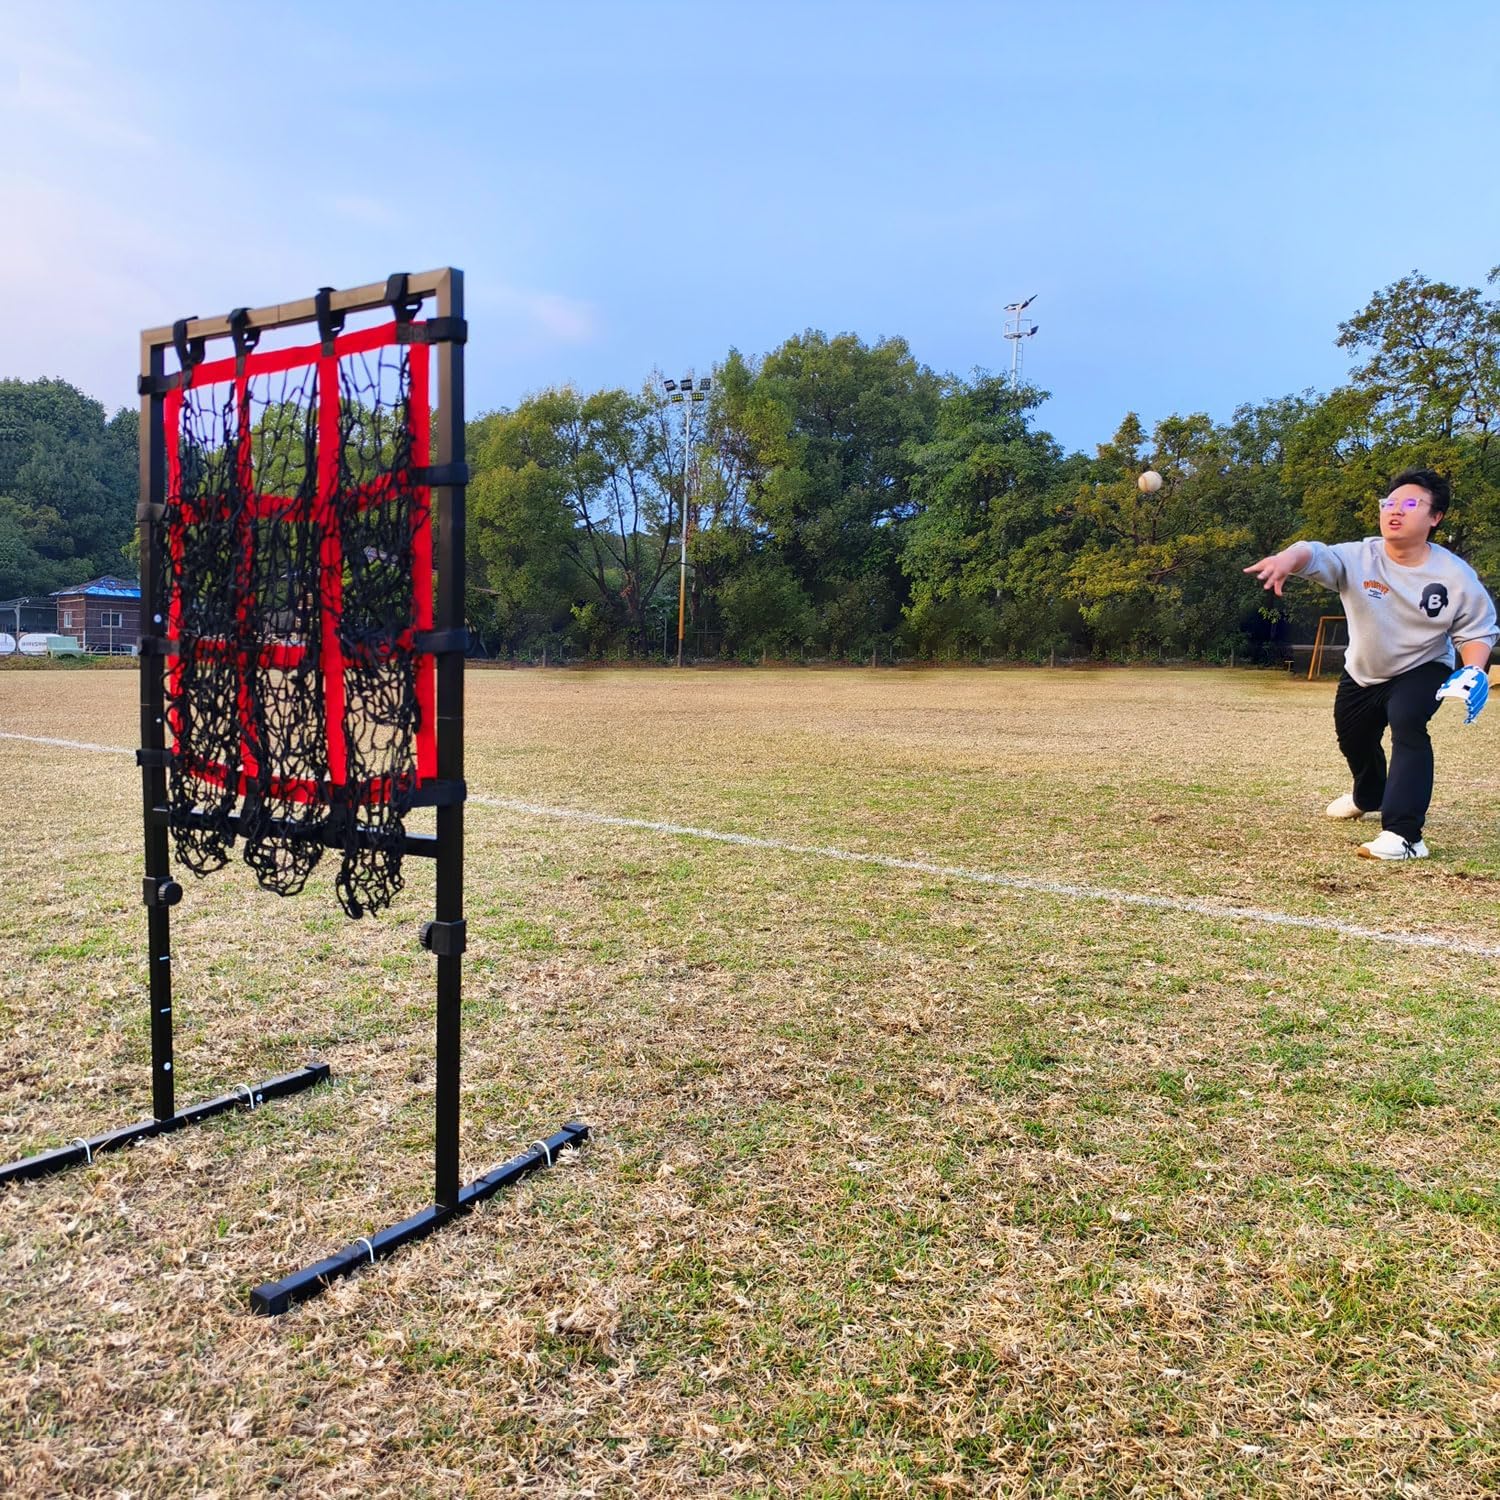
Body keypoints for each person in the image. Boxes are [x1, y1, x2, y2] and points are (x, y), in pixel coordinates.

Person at [1244, 468, 1497, 861]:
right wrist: (1285, 558)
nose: (1395, 511)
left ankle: (1405, 835)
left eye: (1410, 504)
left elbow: (1477, 629)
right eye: (1390, 503)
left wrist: (1474, 669)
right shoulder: (1360, 556)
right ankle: (1369, 795)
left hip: (1423, 665)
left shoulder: (1455, 576)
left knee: (1408, 722)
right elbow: (1315, 553)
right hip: (1362, 671)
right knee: (1354, 741)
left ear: (1435, 517)